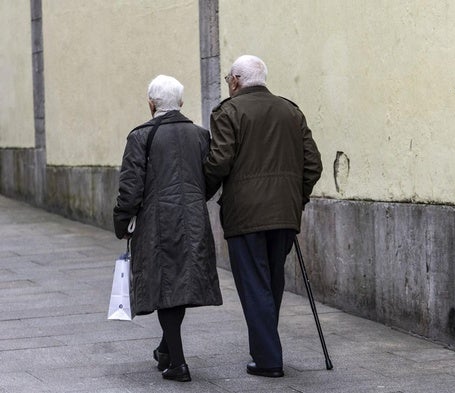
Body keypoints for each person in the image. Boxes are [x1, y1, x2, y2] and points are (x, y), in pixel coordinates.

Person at [204, 55, 323, 377]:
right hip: (284, 215)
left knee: (255, 285)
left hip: (246, 215)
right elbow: (313, 164)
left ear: (235, 81)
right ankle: (265, 346)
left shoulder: (228, 112)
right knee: (271, 281)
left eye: (229, 78)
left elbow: (219, 161)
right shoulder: (291, 111)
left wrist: (200, 191)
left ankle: (269, 359)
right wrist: (296, 200)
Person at [113, 75, 222, 382]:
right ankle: (165, 350)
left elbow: (130, 187)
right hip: (193, 220)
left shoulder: (140, 137)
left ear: (151, 103)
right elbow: (211, 175)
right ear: (182, 103)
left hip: (157, 223)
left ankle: (178, 362)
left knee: (166, 287)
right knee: (180, 283)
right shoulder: (200, 135)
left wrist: (122, 222)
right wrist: (197, 196)